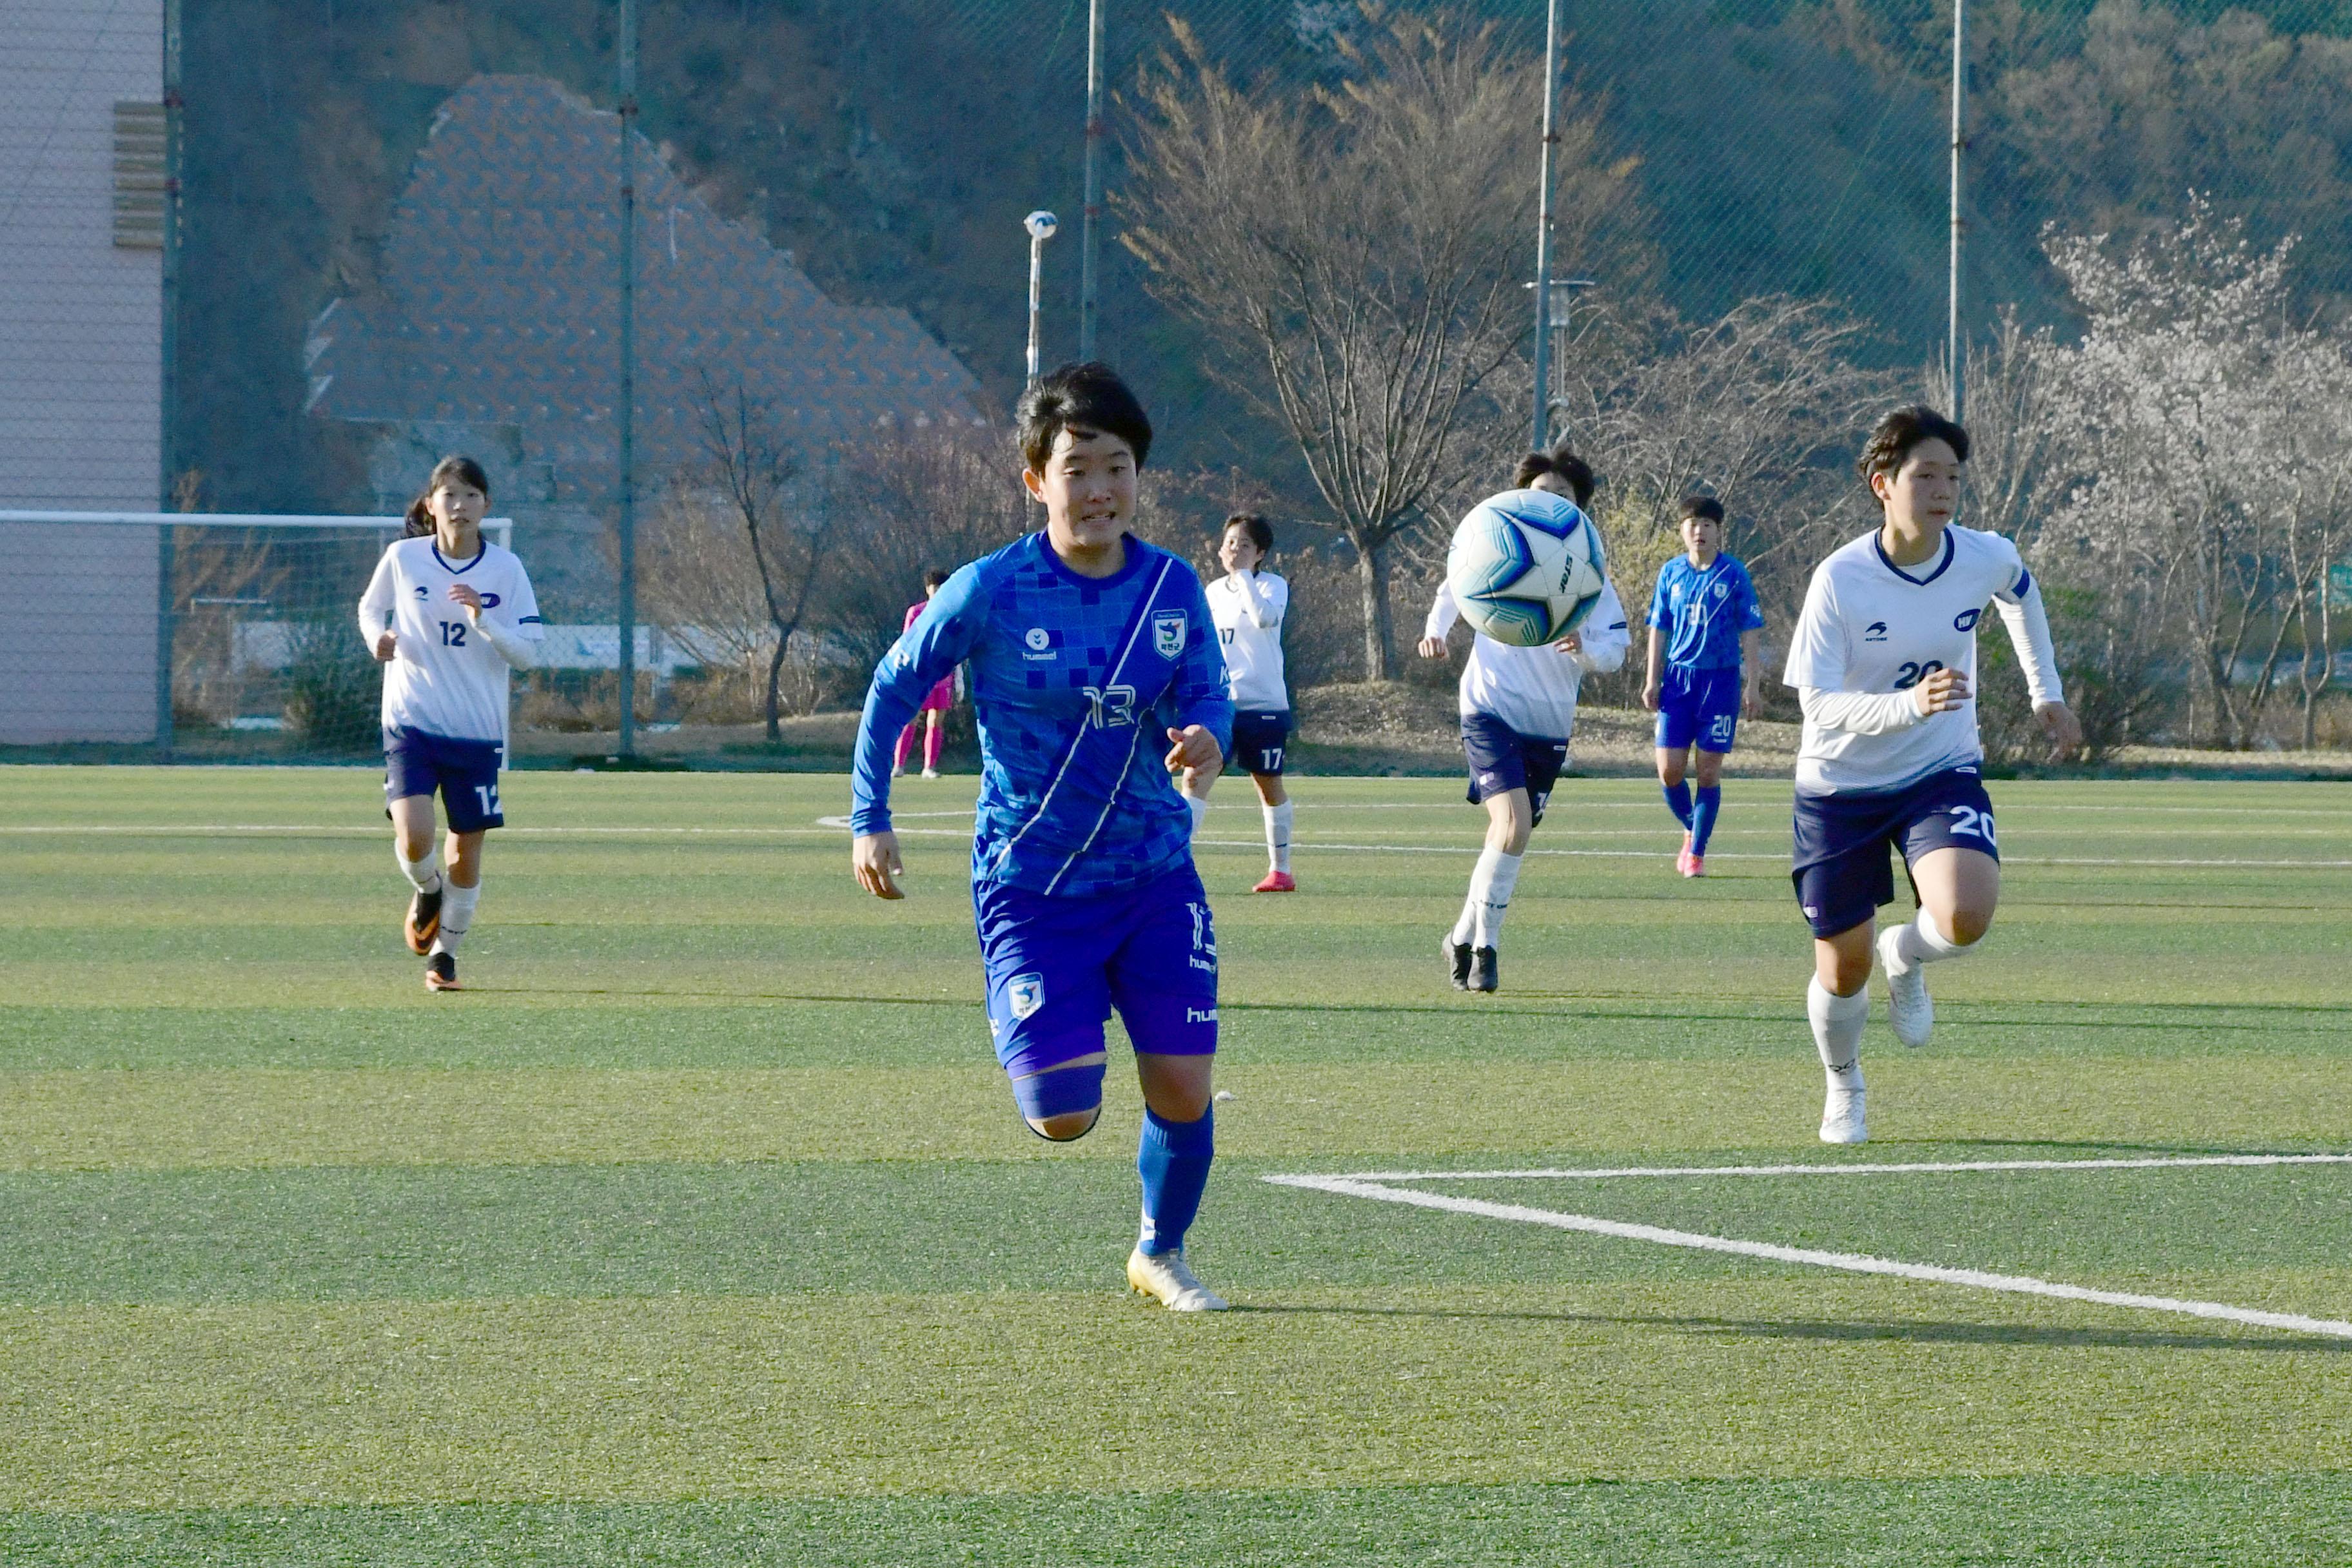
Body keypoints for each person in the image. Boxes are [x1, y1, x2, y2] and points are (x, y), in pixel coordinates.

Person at [848, 362, 1236, 1311]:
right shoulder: (990, 590)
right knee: (1063, 1114)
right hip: (1030, 882)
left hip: (1152, 874)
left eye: (1117, 467)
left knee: (1184, 1086)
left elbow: (1208, 691)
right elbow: (891, 691)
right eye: (1077, 469)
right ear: (1036, 480)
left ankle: (1161, 1250)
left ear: (1138, 476)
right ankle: (1038, 1006)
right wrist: (872, 818)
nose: (1099, 490)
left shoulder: (1173, 588)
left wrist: (1208, 740)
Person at [1784, 406, 2081, 1144]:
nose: (1943, 489)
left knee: (1966, 915)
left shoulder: (1978, 555)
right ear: (1884, 484)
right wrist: (1909, 703)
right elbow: (1818, 706)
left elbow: (2020, 589)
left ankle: (1905, 953)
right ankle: (1844, 1081)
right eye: (1926, 475)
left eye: (1953, 475)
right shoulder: (1840, 580)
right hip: (1839, 786)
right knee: (1843, 968)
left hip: (1939, 770)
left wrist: (2047, 692)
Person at [1417, 447, 1629, 993]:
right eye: (1541, 495)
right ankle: (1487, 948)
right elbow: (1456, 584)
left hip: (1549, 724)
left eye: (1564, 497)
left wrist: (1585, 646)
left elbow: (1616, 650)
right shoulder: (1496, 543)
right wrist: (1437, 629)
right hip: (1488, 708)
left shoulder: (1590, 573)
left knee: (1507, 835)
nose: (1552, 505)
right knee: (1513, 825)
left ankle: (1462, 935)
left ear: (1580, 509)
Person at [357, 456, 544, 992]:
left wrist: (486, 622)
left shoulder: (506, 570)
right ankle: (426, 888)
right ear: (429, 505)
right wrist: (379, 641)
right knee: (415, 836)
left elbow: (529, 654)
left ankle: (445, 957)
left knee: (466, 849)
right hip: (411, 722)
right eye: (449, 496)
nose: (459, 506)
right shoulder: (403, 558)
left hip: (477, 732)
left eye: (470, 496)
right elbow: (370, 611)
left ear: (486, 507)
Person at [1642, 495, 1767, 877]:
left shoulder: (1733, 574)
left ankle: (1695, 853)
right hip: (1679, 681)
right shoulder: (1671, 573)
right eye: (1693, 524)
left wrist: (1753, 685)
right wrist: (1652, 678)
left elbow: (1750, 630)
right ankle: (1691, 826)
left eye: (1708, 525)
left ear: (1718, 532)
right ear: (1683, 530)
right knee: (1670, 772)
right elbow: (1658, 628)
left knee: (1709, 773)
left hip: (1721, 680)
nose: (1700, 531)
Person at [1184, 513, 1297, 892]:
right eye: (1230, 542)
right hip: (1218, 704)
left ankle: (1280, 870)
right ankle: (1174, 865)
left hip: (1263, 704)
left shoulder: (1272, 585)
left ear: (1260, 552)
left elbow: (1264, 619)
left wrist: (1245, 575)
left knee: (1268, 786)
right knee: (1195, 775)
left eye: (1244, 544)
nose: (1234, 549)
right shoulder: (1212, 591)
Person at [892, 569, 960, 779]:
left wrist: (959, 678)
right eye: (935, 588)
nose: (938, 592)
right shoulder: (916, 612)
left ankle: (929, 767)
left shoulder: (953, 612)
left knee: (936, 721)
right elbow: (907, 641)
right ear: (928, 589)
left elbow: (957, 645)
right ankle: (898, 765)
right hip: (919, 672)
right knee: (910, 717)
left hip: (943, 673)